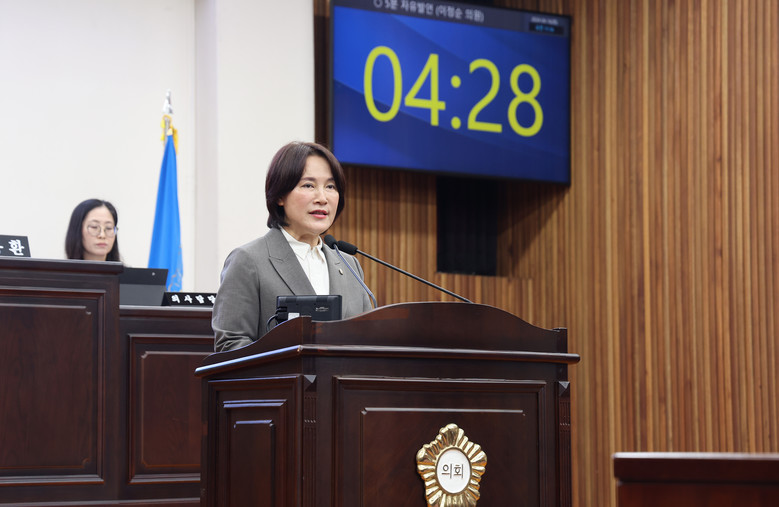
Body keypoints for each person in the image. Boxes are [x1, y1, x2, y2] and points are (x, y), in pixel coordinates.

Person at [212, 141, 373, 352]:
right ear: (280, 195)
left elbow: (368, 342)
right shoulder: (249, 260)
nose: (322, 198)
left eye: (330, 187)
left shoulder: (349, 265)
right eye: (308, 185)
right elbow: (230, 345)